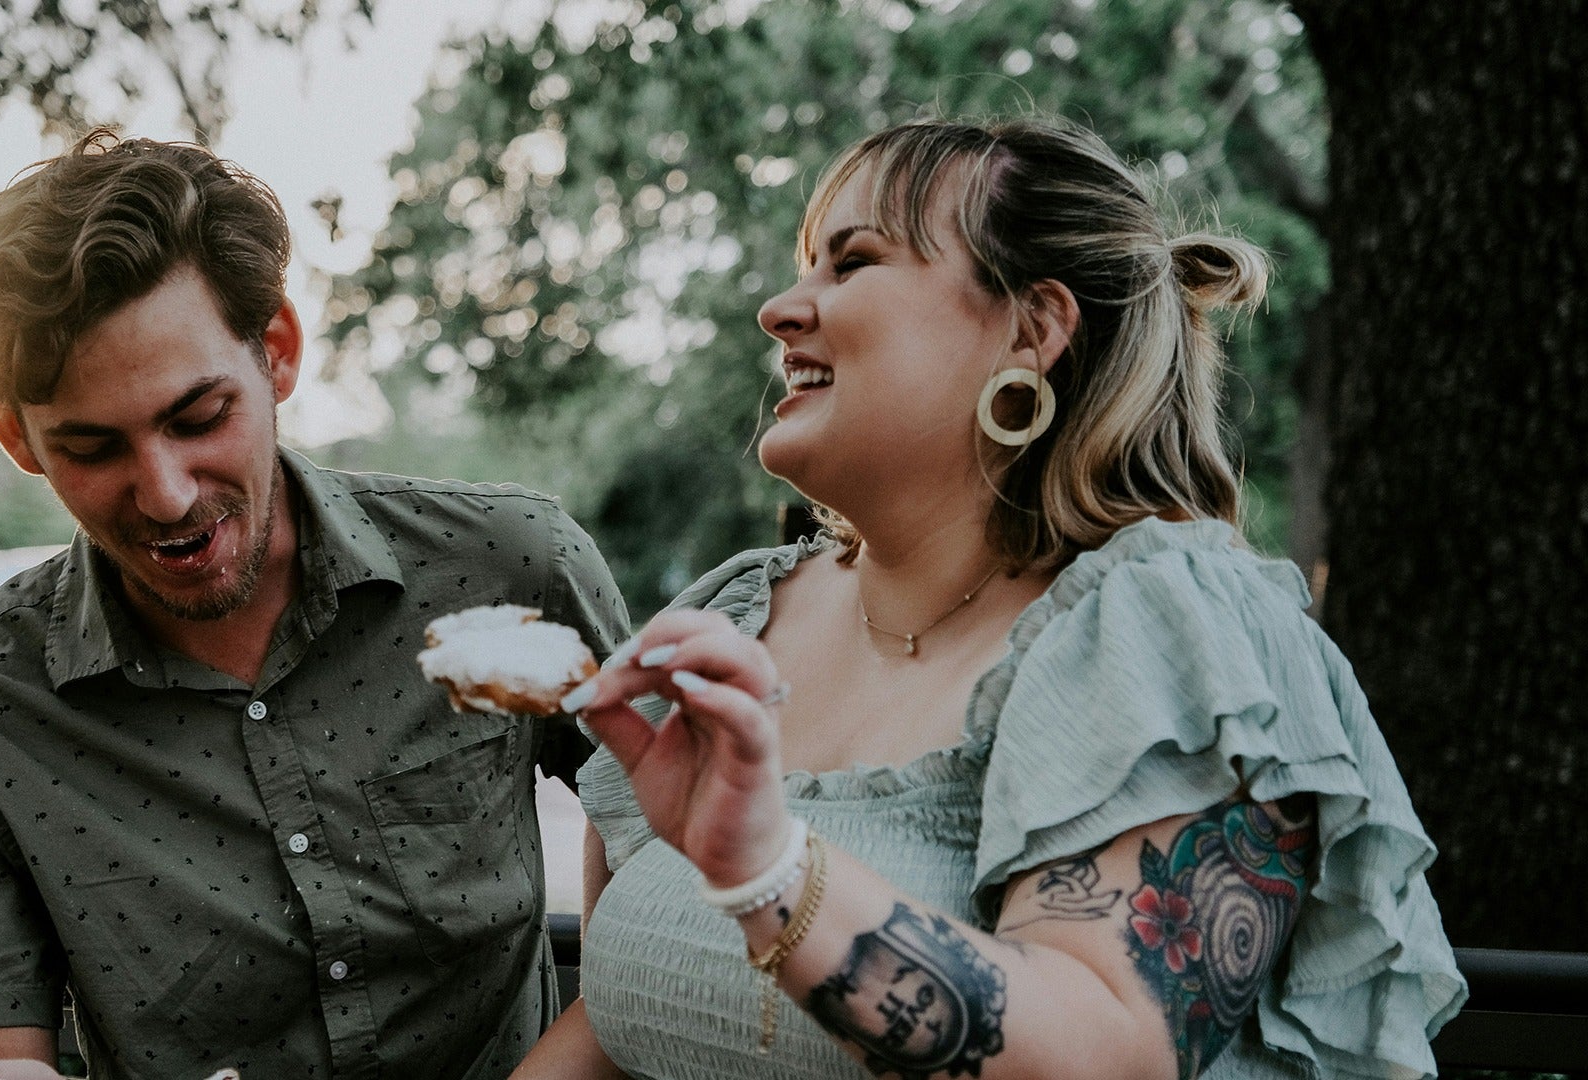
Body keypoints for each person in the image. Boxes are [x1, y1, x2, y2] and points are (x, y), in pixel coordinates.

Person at [516, 115, 1465, 1079]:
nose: (780, 308)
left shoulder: (1175, 631)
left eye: (851, 263)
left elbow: (1105, 1056)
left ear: (1031, 328)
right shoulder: (727, 620)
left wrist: (772, 871)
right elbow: (625, 1021)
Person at [0, 130, 628, 1080]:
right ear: (14, 434)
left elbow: (679, 897)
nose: (167, 493)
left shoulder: (513, 566)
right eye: (93, 449)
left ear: (277, 351)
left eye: (198, 417)